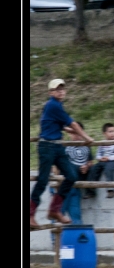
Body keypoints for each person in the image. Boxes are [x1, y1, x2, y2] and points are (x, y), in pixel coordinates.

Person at [30, 79, 94, 230]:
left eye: (62, 89)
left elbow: (55, 122)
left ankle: (54, 209)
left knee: (71, 176)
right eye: (57, 89)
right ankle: (30, 213)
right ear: (50, 92)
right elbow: (72, 123)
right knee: (43, 179)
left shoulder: (55, 106)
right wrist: (86, 138)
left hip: (57, 147)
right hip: (47, 146)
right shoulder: (53, 105)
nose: (60, 91)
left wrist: (68, 130)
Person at [51, 121, 94, 224]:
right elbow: (54, 166)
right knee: (59, 212)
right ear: (69, 134)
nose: (76, 135)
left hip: (76, 186)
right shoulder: (64, 147)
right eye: (74, 133)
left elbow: (90, 161)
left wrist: (86, 166)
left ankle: (75, 238)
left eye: (78, 133)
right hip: (63, 186)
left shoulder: (86, 147)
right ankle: (55, 239)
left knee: (76, 215)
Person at [84, 123, 114, 199]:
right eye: (110, 131)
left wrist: (109, 158)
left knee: (109, 169)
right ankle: (91, 190)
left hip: (113, 162)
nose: (113, 133)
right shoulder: (102, 143)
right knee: (93, 169)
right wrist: (100, 158)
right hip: (103, 161)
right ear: (104, 133)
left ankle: (111, 189)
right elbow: (98, 154)